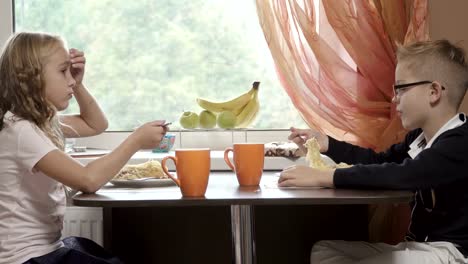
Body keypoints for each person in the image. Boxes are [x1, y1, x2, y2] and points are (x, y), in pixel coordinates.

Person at [280, 39, 468, 263]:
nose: (394, 98)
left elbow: (404, 175)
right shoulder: (419, 139)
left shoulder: (460, 142)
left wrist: (324, 176)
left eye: (401, 88)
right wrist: (328, 144)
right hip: (421, 247)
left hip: (453, 253)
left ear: (434, 91)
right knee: (323, 251)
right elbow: (377, 161)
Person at [0, 32, 168, 264]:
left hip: (45, 249)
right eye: (62, 71)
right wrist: (136, 140)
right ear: (32, 78)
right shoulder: (20, 130)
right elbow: (87, 179)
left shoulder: (40, 122)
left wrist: (78, 85)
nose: (70, 79)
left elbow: (96, 124)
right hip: (27, 258)